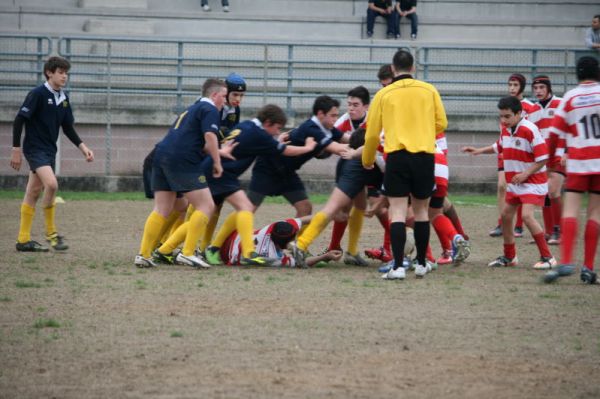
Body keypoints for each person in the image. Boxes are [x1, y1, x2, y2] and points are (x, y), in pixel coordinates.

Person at [362, 49, 448, 280]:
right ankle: (421, 263)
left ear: (392, 68)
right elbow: (442, 122)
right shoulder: (429, 90)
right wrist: (421, 128)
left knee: (397, 211)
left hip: (397, 157)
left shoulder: (384, 94)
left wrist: (368, 160)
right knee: (421, 211)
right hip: (424, 156)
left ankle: (398, 267)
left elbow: (371, 135)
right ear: (413, 67)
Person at [134, 78, 228, 268]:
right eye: (224, 97)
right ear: (214, 95)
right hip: (182, 160)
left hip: (160, 156)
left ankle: (143, 254)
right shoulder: (210, 109)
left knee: (163, 209)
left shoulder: (192, 109)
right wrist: (217, 161)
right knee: (207, 206)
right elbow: (210, 136)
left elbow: (194, 139)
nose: (224, 101)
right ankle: (187, 252)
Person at [10, 56, 94, 252]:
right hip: (34, 148)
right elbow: (19, 120)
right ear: (49, 73)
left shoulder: (63, 99)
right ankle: (52, 234)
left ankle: (23, 240)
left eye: (66, 73)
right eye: (60, 72)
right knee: (52, 184)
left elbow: (68, 128)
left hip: (49, 150)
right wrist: (16, 149)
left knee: (32, 192)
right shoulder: (38, 94)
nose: (64, 76)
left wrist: (83, 148)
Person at [463, 96, 556, 270]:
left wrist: (525, 173)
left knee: (527, 216)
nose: (503, 120)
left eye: (507, 116)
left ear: (519, 113)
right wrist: (478, 151)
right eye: (501, 116)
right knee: (506, 216)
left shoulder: (530, 129)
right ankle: (509, 256)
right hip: (516, 182)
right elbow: (498, 146)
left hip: (533, 181)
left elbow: (543, 158)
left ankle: (548, 257)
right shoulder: (506, 130)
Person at [247, 95, 348, 218]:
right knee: (247, 209)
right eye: (333, 115)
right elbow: (338, 149)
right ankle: (229, 237)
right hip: (268, 168)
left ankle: (297, 238)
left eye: (337, 115)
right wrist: (365, 150)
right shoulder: (311, 129)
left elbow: (348, 139)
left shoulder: (328, 129)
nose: (336, 119)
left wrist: (369, 140)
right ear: (321, 114)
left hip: (287, 173)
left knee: (305, 208)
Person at [547, 56, 600, 284]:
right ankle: (588, 268)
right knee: (595, 213)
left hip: (578, 162)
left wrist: (550, 162)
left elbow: (553, 134)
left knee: (570, 210)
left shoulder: (570, 97)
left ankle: (566, 260)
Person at [292, 128, 373, 267]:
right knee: (333, 210)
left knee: (359, 206)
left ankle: (352, 253)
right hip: (354, 165)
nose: (352, 108)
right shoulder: (374, 125)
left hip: (351, 162)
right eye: (350, 104)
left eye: (355, 104)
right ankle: (300, 245)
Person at [489, 73, 535, 238]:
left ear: (522, 86)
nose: (512, 88)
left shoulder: (530, 106)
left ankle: (519, 226)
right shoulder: (505, 105)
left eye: (515, 85)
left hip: (522, 153)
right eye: (510, 85)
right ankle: (503, 223)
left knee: (519, 187)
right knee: (502, 186)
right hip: (505, 151)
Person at [218, 216, 342, 267]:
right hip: (226, 254)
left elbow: (304, 220)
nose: (295, 239)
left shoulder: (275, 227)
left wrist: (329, 216)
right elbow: (300, 263)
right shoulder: (271, 256)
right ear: (283, 244)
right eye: (293, 239)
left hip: (233, 234)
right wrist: (325, 256)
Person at [528, 75, 563, 245]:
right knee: (545, 194)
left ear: (549, 88)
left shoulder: (560, 104)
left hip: (559, 156)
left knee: (553, 190)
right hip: (543, 159)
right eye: (535, 88)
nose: (538, 91)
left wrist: (567, 152)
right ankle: (549, 232)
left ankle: (560, 230)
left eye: (542, 87)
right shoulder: (533, 110)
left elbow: (570, 129)